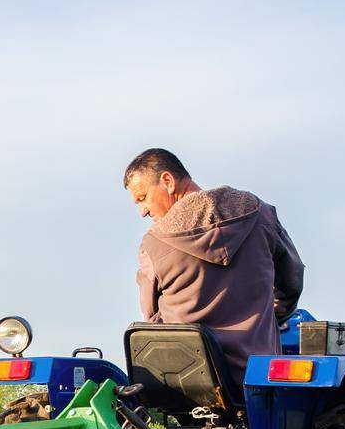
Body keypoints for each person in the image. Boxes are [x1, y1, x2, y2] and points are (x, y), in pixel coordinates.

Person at [124, 148, 304, 385]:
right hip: (258, 377)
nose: (143, 211)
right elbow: (291, 282)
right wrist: (266, 317)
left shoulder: (153, 243)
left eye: (142, 197)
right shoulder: (261, 215)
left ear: (167, 181)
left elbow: (151, 316)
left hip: (187, 384)